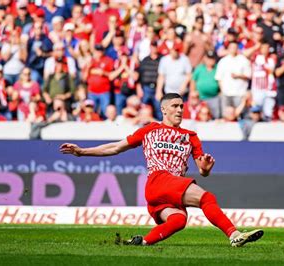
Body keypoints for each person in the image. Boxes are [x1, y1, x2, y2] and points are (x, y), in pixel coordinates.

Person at [60, 93, 264, 247]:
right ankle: (234, 235)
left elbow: (202, 170)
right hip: (158, 180)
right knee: (206, 198)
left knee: (179, 220)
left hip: (170, 188)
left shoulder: (190, 136)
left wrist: (205, 169)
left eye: (181, 107)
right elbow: (115, 147)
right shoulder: (150, 129)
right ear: (164, 110)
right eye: (174, 106)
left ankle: (142, 242)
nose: (179, 110)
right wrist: (82, 151)